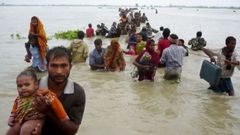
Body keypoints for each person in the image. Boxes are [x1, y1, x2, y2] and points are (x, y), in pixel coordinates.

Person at [35, 46, 86, 134]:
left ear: (70, 66)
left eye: (63, 65)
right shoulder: (35, 87)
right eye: (54, 66)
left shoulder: (77, 92)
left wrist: (48, 111)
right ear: (47, 66)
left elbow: (72, 130)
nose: (59, 71)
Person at [6, 70, 69, 135]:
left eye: (27, 85)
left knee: (25, 130)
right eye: (19, 86)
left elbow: (55, 101)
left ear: (36, 85)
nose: (23, 88)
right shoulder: (19, 98)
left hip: (35, 118)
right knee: (11, 131)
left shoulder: (42, 94)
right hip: (21, 118)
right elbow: (15, 107)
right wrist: (12, 116)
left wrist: (63, 117)